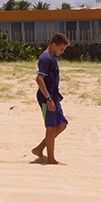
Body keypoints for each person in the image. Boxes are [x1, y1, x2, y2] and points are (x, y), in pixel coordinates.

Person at [32, 32, 69, 164]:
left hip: (54, 97)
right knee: (51, 127)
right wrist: (48, 99)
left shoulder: (52, 57)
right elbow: (39, 79)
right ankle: (51, 159)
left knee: (62, 124)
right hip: (46, 98)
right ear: (53, 45)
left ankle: (39, 148)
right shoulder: (45, 58)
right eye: (61, 49)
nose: (62, 52)